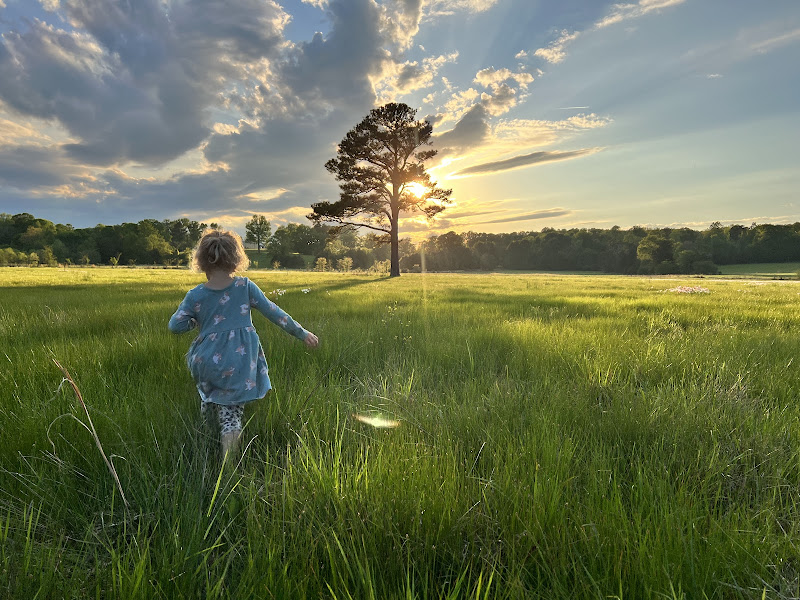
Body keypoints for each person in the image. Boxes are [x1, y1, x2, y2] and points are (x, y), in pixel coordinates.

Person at [168, 229, 319, 458]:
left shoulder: (195, 295)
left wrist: (196, 323)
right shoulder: (245, 287)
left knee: (209, 398)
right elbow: (275, 313)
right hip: (237, 362)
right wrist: (301, 333)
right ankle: (227, 469)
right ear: (235, 260)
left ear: (201, 261)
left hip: (206, 359)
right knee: (231, 416)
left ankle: (205, 444)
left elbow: (175, 326)